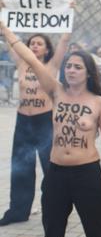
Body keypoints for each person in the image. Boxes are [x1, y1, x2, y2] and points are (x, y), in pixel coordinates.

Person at [0, 14, 101, 237]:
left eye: (77, 66)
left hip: (87, 175)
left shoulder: (100, 103)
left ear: (88, 71)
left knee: (99, 235)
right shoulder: (54, 91)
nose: (70, 70)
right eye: (68, 65)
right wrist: (5, 29)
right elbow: (28, 55)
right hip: (56, 175)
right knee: (52, 233)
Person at [1, 26, 72, 226]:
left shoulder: (52, 66)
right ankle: (18, 210)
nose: (34, 46)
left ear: (47, 49)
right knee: (21, 168)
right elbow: (10, 41)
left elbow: (64, 41)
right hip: (23, 121)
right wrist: (3, 19)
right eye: (32, 43)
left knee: (51, 168)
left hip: (45, 122)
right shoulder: (22, 64)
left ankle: (56, 209)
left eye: (39, 43)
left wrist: (70, 13)